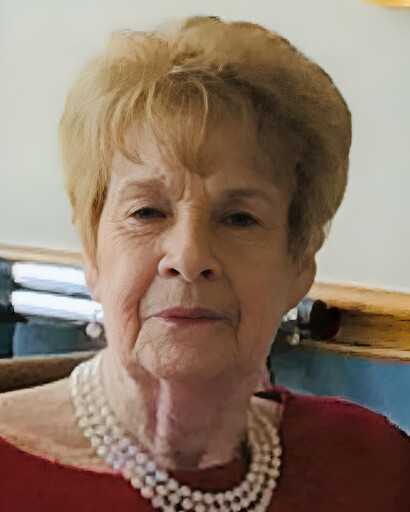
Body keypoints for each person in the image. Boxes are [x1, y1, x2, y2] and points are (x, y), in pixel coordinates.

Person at [0, 16, 408, 512]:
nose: (189, 257)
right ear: (92, 251)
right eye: (147, 212)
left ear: (300, 263)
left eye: (239, 218)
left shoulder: (373, 468)